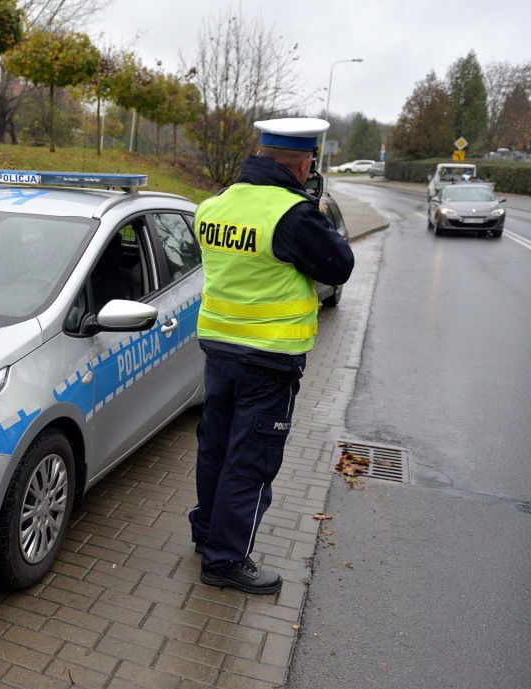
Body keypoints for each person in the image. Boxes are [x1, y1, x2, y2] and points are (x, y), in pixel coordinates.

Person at [189, 118, 355, 594]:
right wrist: (315, 213)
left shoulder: (213, 206)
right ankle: (225, 561)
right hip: (269, 360)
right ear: (304, 163)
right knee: (252, 462)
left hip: (218, 350)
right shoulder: (293, 215)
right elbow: (338, 266)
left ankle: (206, 536)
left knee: (215, 450)